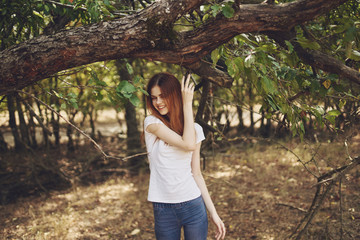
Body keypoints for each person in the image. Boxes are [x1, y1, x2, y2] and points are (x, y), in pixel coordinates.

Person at [143, 72, 226, 240]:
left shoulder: (196, 129)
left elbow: (196, 174)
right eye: (154, 98)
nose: (158, 102)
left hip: (194, 205)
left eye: (163, 96)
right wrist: (187, 104)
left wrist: (214, 213)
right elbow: (187, 144)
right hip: (164, 209)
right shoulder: (152, 123)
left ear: (175, 96)